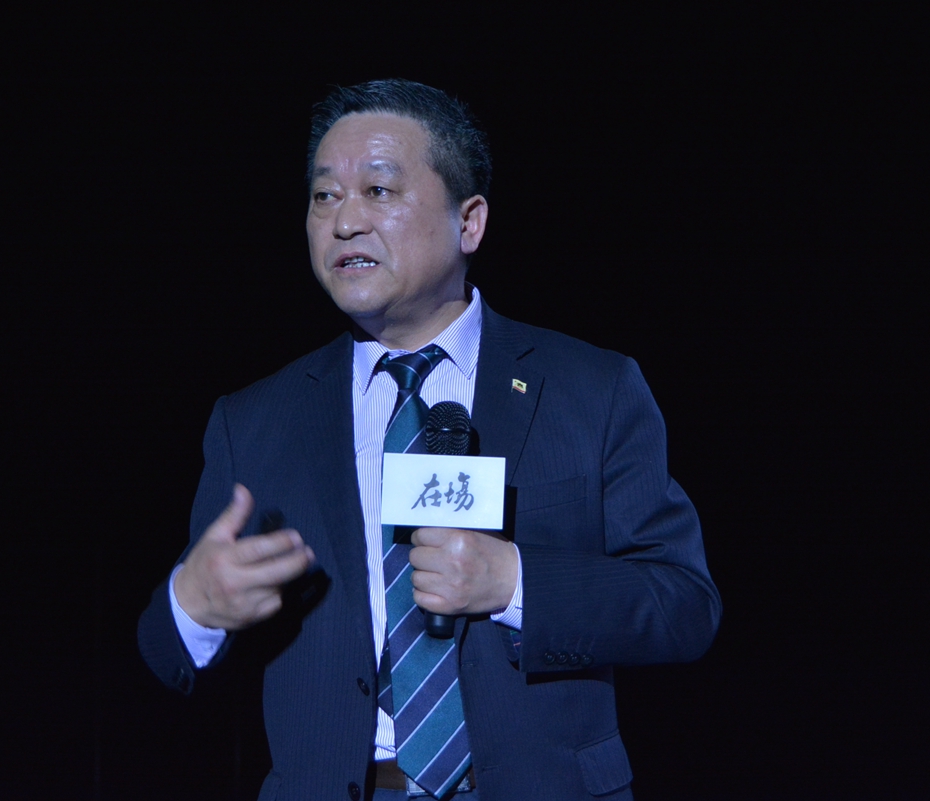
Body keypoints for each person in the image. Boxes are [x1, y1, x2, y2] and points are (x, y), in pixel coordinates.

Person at [138, 78, 721, 801]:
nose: (344, 221)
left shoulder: (591, 389)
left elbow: (684, 604)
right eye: (324, 196)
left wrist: (515, 582)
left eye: (378, 190)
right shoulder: (255, 419)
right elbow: (165, 654)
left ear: (469, 222)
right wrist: (192, 605)